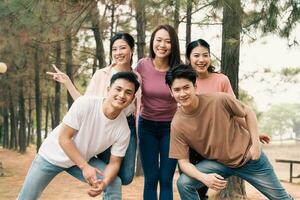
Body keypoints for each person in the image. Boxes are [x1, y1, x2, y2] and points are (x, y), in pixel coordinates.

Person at [165, 64, 293, 200]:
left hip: (249, 157)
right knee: (184, 183)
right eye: (177, 90)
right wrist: (204, 177)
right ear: (171, 92)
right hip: (219, 164)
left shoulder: (219, 99)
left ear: (195, 87)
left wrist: (255, 145)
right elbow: (183, 162)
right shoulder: (177, 124)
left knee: (282, 198)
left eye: (186, 88)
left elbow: (248, 112)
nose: (183, 94)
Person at [17, 72, 140, 200]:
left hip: (81, 159)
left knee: (113, 182)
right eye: (118, 89)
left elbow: (114, 163)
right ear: (108, 90)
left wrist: (104, 182)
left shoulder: (123, 130)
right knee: (26, 198)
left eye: (128, 92)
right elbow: (64, 138)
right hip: (52, 156)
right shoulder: (85, 104)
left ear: (132, 99)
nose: (121, 95)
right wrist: (85, 167)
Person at [47, 32, 139, 185]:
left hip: (125, 125)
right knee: (106, 174)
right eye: (114, 49)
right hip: (102, 125)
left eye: (122, 48)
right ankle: (79, 163)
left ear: (132, 50)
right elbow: (84, 101)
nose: (118, 53)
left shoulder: (137, 77)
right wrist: (68, 83)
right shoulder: (101, 74)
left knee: (127, 176)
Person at [186, 38, 270, 199]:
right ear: (189, 58)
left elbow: (236, 113)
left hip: (216, 145)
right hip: (193, 144)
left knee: (210, 186)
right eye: (196, 55)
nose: (201, 60)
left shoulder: (221, 80)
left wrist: (254, 134)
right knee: (193, 186)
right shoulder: (186, 82)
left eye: (205, 55)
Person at [136, 24, 181, 200]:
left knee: (166, 179)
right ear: (152, 42)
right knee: (151, 179)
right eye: (159, 40)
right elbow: (128, 85)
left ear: (173, 45)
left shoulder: (179, 68)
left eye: (168, 41)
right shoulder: (142, 65)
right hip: (146, 126)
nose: (162, 45)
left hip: (171, 128)